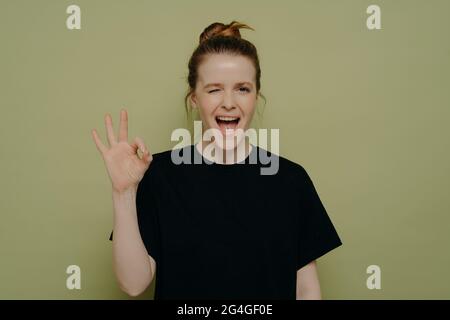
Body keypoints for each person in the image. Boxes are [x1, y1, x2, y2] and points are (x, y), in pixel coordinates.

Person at [91, 21, 342, 300]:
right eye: (213, 89)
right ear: (194, 98)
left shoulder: (291, 181)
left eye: (242, 89)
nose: (229, 102)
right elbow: (133, 284)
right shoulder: (157, 175)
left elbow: (307, 290)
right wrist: (123, 193)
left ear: (256, 96)